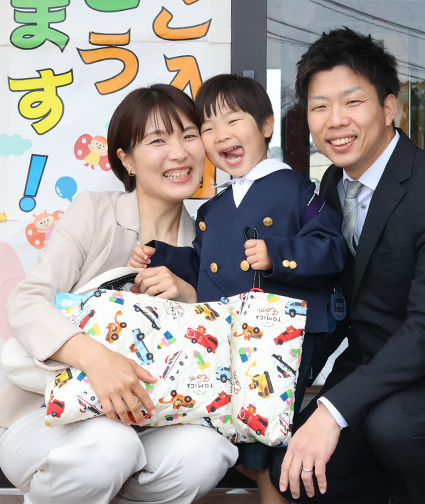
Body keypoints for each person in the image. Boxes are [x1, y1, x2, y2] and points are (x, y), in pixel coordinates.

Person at [270, 28, 425, 503]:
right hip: (371, 373)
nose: (335, 120)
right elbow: (335, 299)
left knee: (395, 426)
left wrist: (332, 408)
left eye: (352, 102)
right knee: (289, 468)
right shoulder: (333, 185)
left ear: (389, 107)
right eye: (319, 107)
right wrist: (283, 383)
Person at [0, 84, 238, 504]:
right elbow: (27, 301)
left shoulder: (207, 243)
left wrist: (189, 296)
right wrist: (97, 359)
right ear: (126, 159)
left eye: (189, 135)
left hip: (152, 421)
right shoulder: (95, 211)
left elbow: (219, 344)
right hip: (49, 417)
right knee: (110, 444)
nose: (179, 153)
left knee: (207, 452)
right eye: (158, 140)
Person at [130, 74, 348, 504]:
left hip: (281, 335)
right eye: (208, 128)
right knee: (242, 425)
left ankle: (279, 495)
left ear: (266, 125)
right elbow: (202, 264)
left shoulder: (295, 188)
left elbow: (332, 248)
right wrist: (161, 255)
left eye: (233, 121)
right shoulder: (213, 207)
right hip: (228, 335)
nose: (221, 135)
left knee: (268, 424)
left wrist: (278, 253)